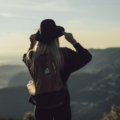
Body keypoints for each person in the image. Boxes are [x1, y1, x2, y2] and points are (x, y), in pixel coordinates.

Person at [23, 19, 92, 120]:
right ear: (56, 38)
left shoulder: (32, 57)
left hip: (41, 105)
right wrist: (73, 41)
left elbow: (26, 58)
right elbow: (87, 57)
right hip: (62, 103)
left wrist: (32, 45)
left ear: (39, 39)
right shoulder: (64, 54)